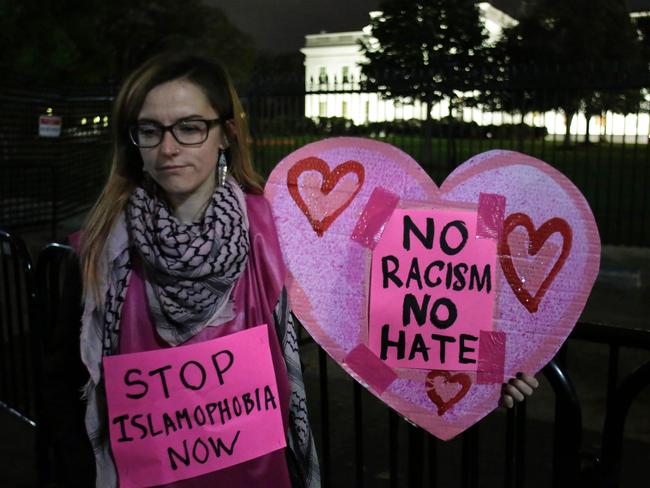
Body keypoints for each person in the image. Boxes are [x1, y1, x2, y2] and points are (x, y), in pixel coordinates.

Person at [77, 51, 536, 487]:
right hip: (146, 474)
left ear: (227, 133)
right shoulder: (102, 248)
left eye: (191, 127)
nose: (170, 147)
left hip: (257, 474)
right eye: (150, 130)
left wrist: (486, 371)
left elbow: (394, 311)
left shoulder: (280, 229)